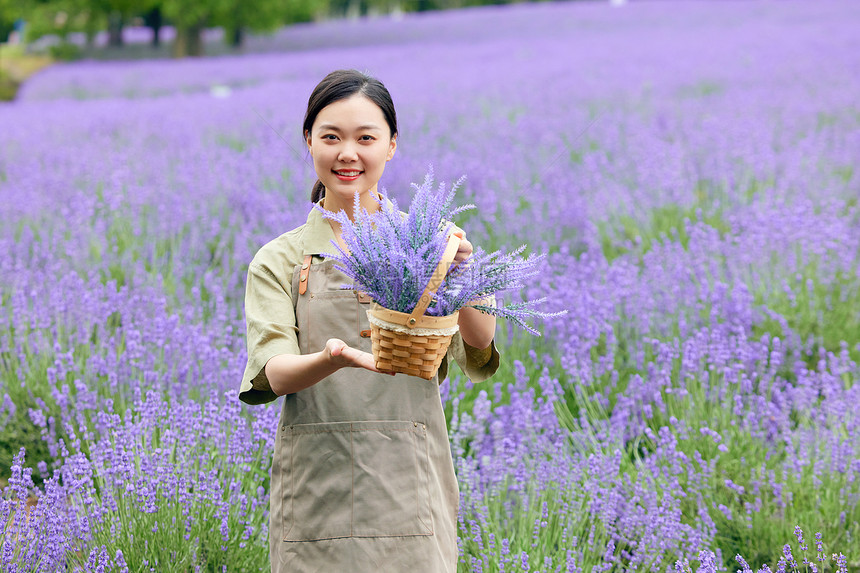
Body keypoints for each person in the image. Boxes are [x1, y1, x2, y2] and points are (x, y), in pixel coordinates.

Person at [239, 69, 501, 573]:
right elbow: (272, 373)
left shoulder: (428, 244)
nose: (348, 154)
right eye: (331, 137)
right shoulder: (279, 259)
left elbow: (480, 344)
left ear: (392, 145)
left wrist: (462, 272)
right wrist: (332, 358)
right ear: (308, 141)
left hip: (409, 482)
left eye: (366, 138)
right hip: (317, 484)